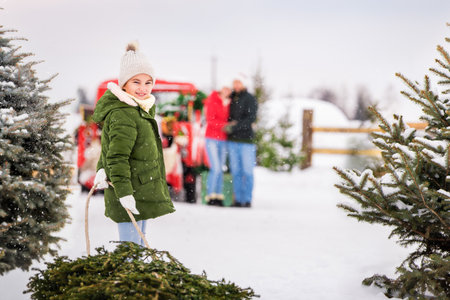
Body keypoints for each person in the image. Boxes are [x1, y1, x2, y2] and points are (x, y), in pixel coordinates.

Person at [92, 42, 175, 246]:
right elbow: (117, 156)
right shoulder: (124, 114)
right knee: (130, 252)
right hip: (130, 191)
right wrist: (124, 192)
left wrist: (101, 168)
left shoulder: (140, 109)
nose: (143, 88)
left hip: (141, 190)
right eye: (136, 82)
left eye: (148, 82)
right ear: (124, 84)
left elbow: (109, 146)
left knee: (138, 249)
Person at [224, 74, 258, 207]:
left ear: (244, 84)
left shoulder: (250, 99)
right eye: (235, 82)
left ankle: (247, 199)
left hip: (246, 141)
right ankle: (238, 199)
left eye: (239, 83)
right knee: (236, 171)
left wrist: (234, 126)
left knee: (248, 172)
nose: (236, 85)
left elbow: (251, 119)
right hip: (232, 141)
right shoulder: (231, 98)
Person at [204, 86, 231, 206]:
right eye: (225, 88)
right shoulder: (212, 100)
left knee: (220, 168)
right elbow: (210, 119)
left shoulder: (229, 103)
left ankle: (219, 195)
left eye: (229, 89)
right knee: (215, 167)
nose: (227, 91)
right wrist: (225, 125)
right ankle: (210, 195)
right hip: (211, 138)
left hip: (223, 139)